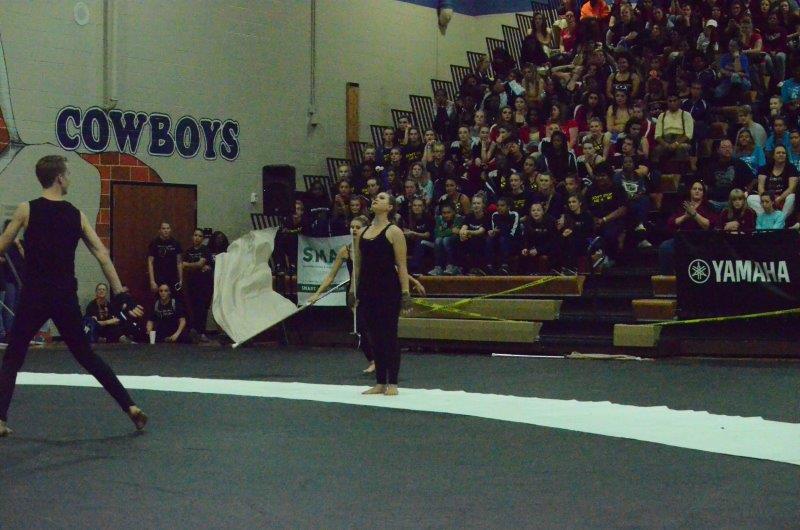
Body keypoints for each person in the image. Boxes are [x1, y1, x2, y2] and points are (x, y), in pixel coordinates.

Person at [0, 155, 147, 436]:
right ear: (59, 178)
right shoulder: (76, 215)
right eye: (68, 173)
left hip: (34, 296)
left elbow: (2, 245)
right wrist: (120, 294)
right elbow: (102, 254)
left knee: (13, 357)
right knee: (86, 355)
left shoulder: (26, 209)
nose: (70, 178)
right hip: (64, 297)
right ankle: (130, 407)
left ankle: (0, 419)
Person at [309, 216, 426, 374]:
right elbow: (331, 277)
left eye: (358, 227)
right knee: (361, 327)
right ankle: (373, 360)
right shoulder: (345, 251)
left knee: (376, 327)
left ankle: (383, 361)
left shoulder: (370, 248)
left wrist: (414, 282)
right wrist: (316, 294)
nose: (354, 230)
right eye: (352, 227)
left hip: (371, 289)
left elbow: (396, 267)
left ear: (365, 230)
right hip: (354, 291)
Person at [352, 192, 412, 396]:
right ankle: (379, 382)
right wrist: (353, 290)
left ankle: (392, 382)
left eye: (382, 198)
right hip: (367, 289)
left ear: (390, 207)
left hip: (388, 290)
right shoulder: (362, 232)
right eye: (376, 198)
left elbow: (402, 266)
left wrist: (405, 292)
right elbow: (357, 265)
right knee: (374, 336)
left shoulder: (394, 231)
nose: (376, 199)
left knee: (389, 335)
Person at [658, 181, 716, 274]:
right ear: (690, 191)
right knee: (665, 247)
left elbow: (708, 225)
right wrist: (685, 216)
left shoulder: (708, 206)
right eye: (694, 189)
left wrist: (694, 214)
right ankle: (668, 277)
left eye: (700, 189)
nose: (697, 191)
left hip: (702, 239)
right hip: (684, 238)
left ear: (703, 193)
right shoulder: (683, 205)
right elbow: (671, 223)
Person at [701, 139, 754, 211]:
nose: (727, 149)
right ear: (718, 150)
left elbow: (752, 180)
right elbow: (705, 183)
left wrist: (746, 194)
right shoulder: (711, 165)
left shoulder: (740, 164)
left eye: (729, 147)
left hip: (734, 202)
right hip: (714, 201)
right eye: (724, 147)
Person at [748, 145, 798, 217]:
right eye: (778, 153)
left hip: (783, 198)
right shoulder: (765, 168)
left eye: (783, 153)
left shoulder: (791, 168)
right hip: (767, 198)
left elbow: (791, 188)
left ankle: (781, 219)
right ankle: (766, 218)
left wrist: (779, 198)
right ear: (773, 156)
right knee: (751, 198)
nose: (781, 154)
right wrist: (766, 199)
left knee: (792, 197)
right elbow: (760, 187)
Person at [182, 229, 213, 343]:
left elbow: (200, 264)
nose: (197, 238)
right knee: (193, 308)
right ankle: (194, 332)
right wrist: (195, 266)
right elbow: (182, 265)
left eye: (200, 236)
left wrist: (189, 265)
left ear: (203, 238)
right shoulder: (188, 251)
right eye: (195, 235)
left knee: (202, 309)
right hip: (191, 284)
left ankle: (202, 333)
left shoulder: (205, 250)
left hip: (204, 284)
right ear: (192, 237)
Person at [458, 195, 492, 275]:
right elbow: (463, 228)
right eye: (474, 203)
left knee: (475, 240)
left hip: (482, 239)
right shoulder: (469, 216)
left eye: (478, 203)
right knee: (459, 240)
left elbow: (480, 231)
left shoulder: (487, 216)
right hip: (470, 238)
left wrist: (467, 232)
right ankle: (460, 268)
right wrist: (462, 234)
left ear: (483, 205)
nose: (476, 205)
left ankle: (480, 269)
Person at [147, 221, 183, 295]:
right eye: (163, 228)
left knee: (174, 298)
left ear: (170, 230)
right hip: (158, 277)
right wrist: (152, 281)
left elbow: (179, 262)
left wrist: (180, 280)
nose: (166, 230)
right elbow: (150, 262)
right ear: (159, 230)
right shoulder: (154, 243)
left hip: (173, 277)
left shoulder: (176, 243)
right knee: (159, 298)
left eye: (168, 228)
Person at [428, 202, 463, 276]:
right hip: (443, 242)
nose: (446, 215)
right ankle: (438, 267)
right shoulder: (439, 219)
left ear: (453, 212)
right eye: (444, 213)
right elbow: (437, 234)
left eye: (448, 212)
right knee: (438, 240)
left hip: (458, 243)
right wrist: (451, 231)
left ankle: (452, 266)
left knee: (445, 240)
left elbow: (456, 234)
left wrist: (444, 231)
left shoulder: (459, 218)